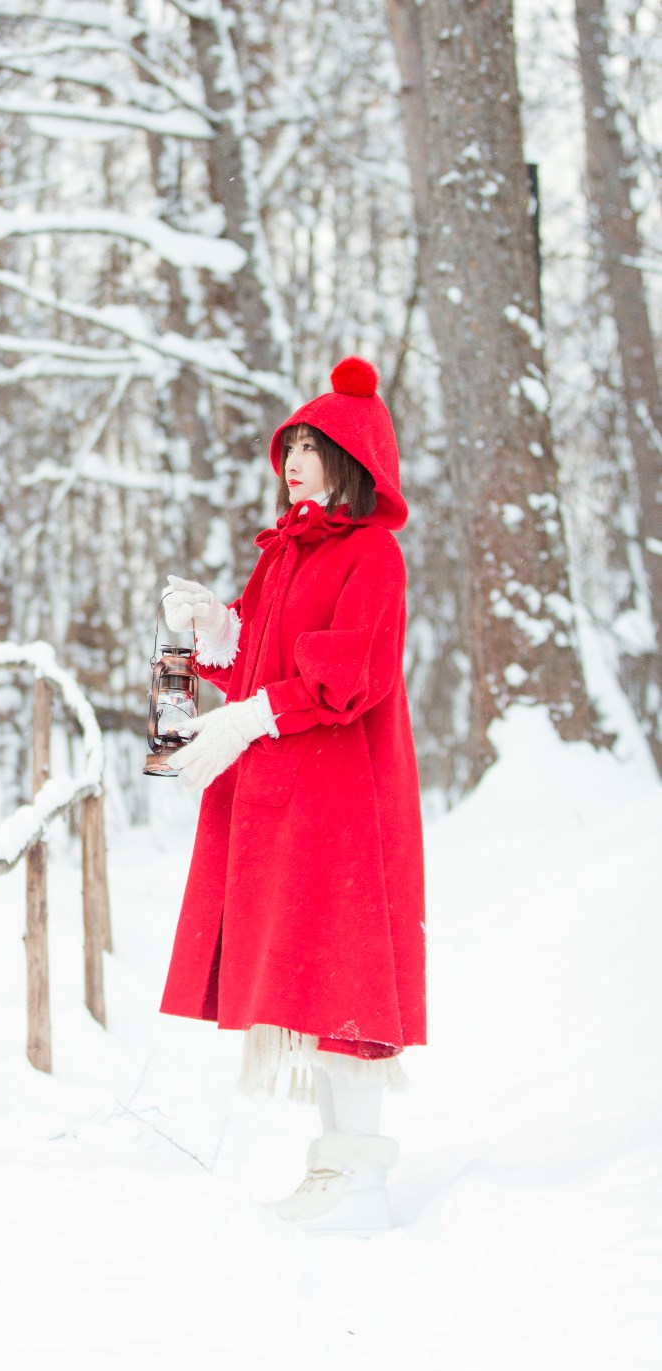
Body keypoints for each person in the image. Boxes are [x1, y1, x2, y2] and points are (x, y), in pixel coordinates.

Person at [158, 357, 425, 1235]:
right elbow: (248, 665)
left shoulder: (370, 555)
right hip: (281, 799)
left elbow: (348, 678)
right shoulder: (282, 554)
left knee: (343, 973)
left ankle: (357, 1182)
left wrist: (249, 718)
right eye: (290, 445)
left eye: (311, 446)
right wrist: (208, 628)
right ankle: (336, 1175)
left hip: (341, 800)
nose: (293, 460)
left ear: (351, 458)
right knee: (308, 977)